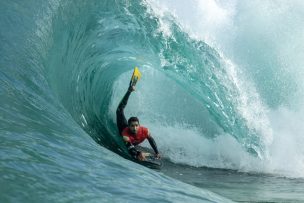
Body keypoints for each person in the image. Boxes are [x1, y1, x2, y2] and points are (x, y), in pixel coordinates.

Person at [116, 85, 160, 161]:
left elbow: (151, 140)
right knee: (119, 110)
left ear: (139, 125)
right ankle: (129, 91)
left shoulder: (145, 131)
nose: (135, 128)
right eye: (132, 126)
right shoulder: (126, 134)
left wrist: (157, 152)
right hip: (123, 128)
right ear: (129, 126)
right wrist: (137, 154)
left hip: (133, 142)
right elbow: (130, 148)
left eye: (136, 125)